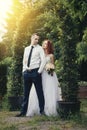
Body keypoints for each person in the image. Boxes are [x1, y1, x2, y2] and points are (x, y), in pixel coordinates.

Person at [26, 39, 62, 117]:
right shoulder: (39, 54)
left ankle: (49, 109)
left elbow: (53, 65)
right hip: (40, 74)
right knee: (38, 90)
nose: (44, 45)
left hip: (49, 75)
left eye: (46, 44)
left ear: (48, 46)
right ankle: (37, 109)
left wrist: (50, 68)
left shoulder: (51, 55)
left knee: (48, 90)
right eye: (43, 43)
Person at [16, 33, 46, 117]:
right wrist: (24, 71)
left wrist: (39, 72)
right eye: (35, 39)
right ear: (31, 38)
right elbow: (24, 60)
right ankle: (23, 112)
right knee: (26, 94)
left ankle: (42, 111)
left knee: (39, 93)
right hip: (27, 73)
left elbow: (43, 61)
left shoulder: (40, 49)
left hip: (35, 72)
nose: (36, 40)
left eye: (38, 39)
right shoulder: (26, 49)